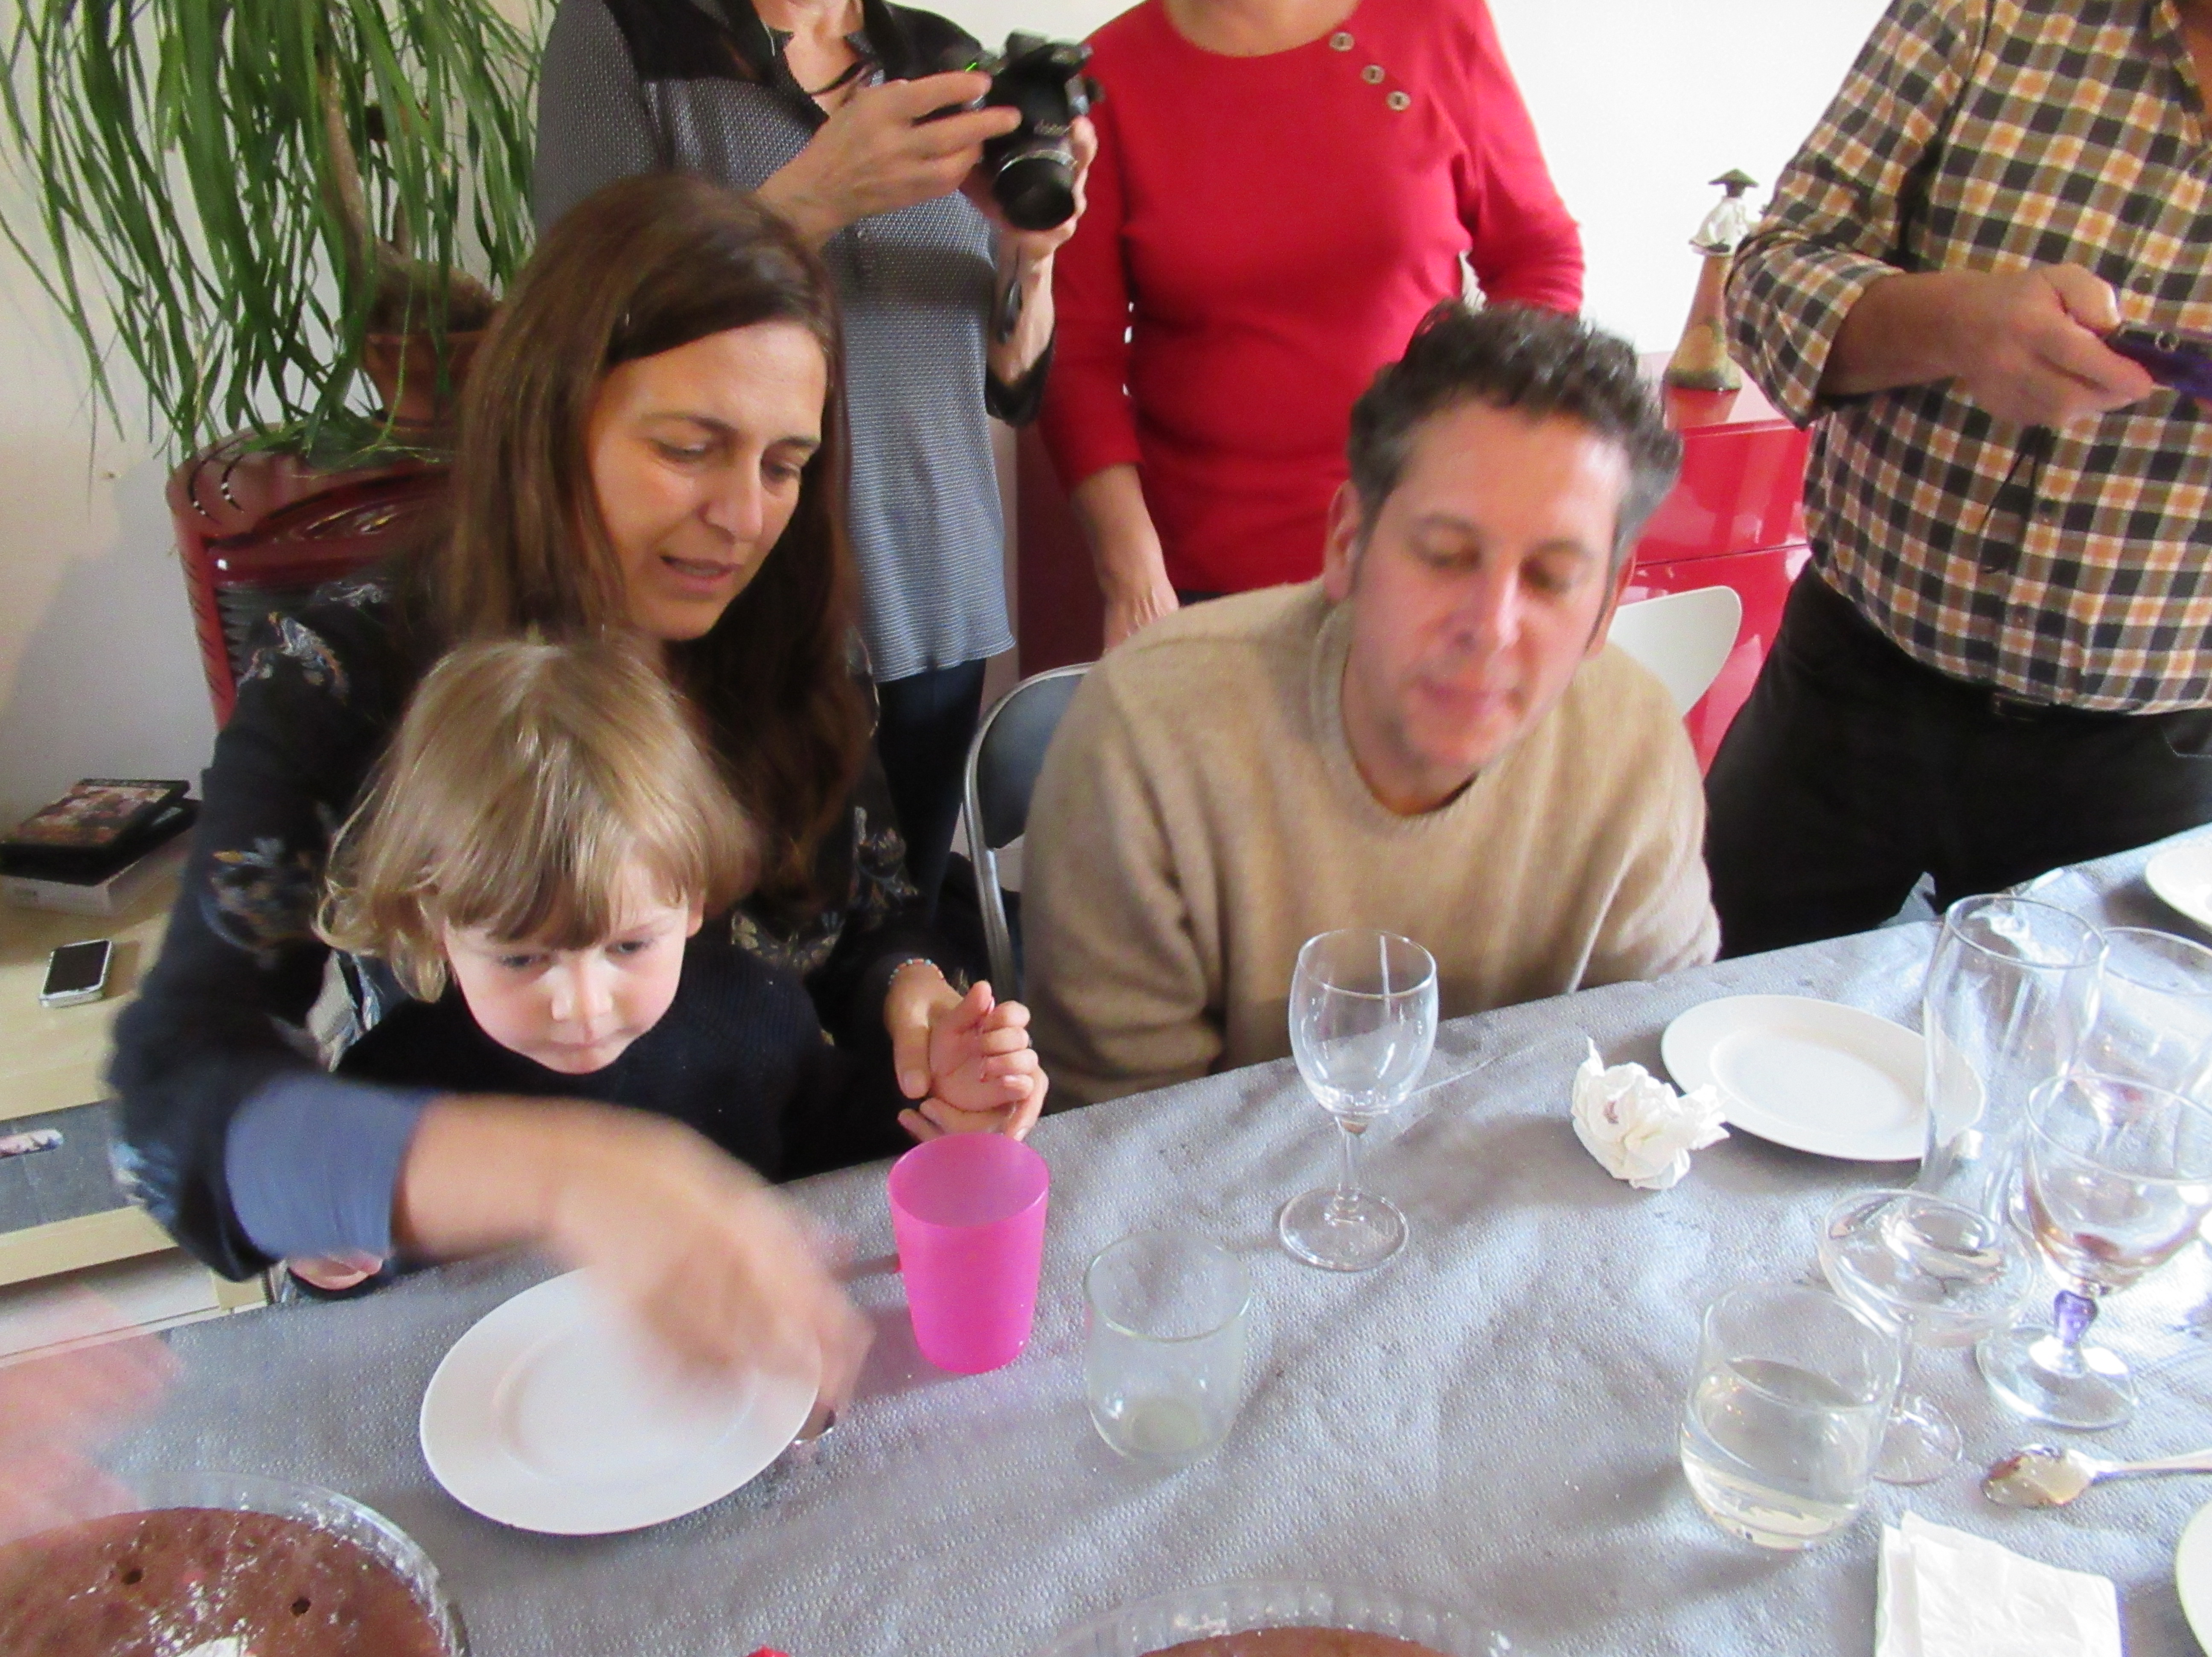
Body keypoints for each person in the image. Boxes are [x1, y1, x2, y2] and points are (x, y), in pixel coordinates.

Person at [108, 175, 1027, 1387]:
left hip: (761, 1293)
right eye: (688, 448)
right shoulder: (353, 672)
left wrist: (917, 1012)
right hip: (478, 1340)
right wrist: (568, 1176)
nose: (744, 518)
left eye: (784, 464)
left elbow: (869, 925)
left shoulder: (789, 644)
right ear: (548, 420)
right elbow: (174, 1107)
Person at [1024, 303, 1718, 1104]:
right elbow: (1131, 1138)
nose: (1491, 627)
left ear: (1607, 604)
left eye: (1552, 578)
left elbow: (1651, 1076)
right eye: (1445, 555)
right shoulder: (1147, 735)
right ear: (1348, 543)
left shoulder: (1636, 745)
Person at [536, 0, 1094, 909]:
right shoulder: (626, 32)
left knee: (900, 929)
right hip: (735, 600)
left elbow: (1009, 386)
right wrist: (808, 202)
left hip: (936, 596)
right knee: (719, 927)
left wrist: (1028, 255)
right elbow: (578, 324)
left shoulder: (941, 58)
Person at [279, 637, 1046, 1293]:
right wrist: (329, 1261)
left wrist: (940, 1105)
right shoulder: (385, 1091)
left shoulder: (754, 1013)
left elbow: (840, 1152)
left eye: (627, 946)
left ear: (693, 899)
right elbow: (364, 1312)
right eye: (520, 956)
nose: (583, 1003)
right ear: (433, 923)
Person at [1707, 0, 2212, 956]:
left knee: (2070, 1055)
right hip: (1845, 693)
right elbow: (1763, 283)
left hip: (2156, 755)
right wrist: (1951, 325)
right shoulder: (1986, 11)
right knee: (1691, 1025)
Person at [1038, 0, 1583, 649]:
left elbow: (1537, 258)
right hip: (1204, 594)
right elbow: (1076, 353)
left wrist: (1487, 459)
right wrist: (1132, 577)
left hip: (1426, 561)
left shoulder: (1434, 21)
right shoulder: (1107, 77)